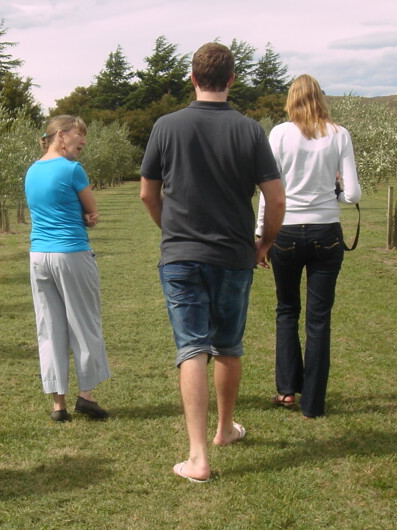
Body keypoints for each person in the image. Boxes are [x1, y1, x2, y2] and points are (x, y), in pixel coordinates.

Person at [140, 42, 286, 482]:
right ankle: (225, 429)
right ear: (232, 79)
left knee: (192, 348)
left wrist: (171, 230)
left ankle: (198, 456)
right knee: (227, 345)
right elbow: (275, 196)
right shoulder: (250, 130)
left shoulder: (166, 126)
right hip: (234, 255)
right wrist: (264, 242)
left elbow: (148, 192)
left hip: (181, 255)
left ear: (192, 77)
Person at [257, 74, 362, 419]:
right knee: (319, 320)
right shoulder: (339, 134)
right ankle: (313, 403)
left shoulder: (279, 133)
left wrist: (262, 235)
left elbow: (268, 191)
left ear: (291, 99)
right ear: (320, 98)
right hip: (326, 232)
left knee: (287, 310)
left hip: (286, 231)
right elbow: (353, 195)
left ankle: (287, 390)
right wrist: (336, 191)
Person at [24, 115, 111, 422]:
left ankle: (58, 404)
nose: (83, 141)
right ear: (60, 135)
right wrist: (91, 217)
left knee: (49, 328)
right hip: (71, 252)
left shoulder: (32, 171)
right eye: (79, 135)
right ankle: (86, 395)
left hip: (39, 255)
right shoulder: (72, 169)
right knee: (84, 322)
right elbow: (91, 209)